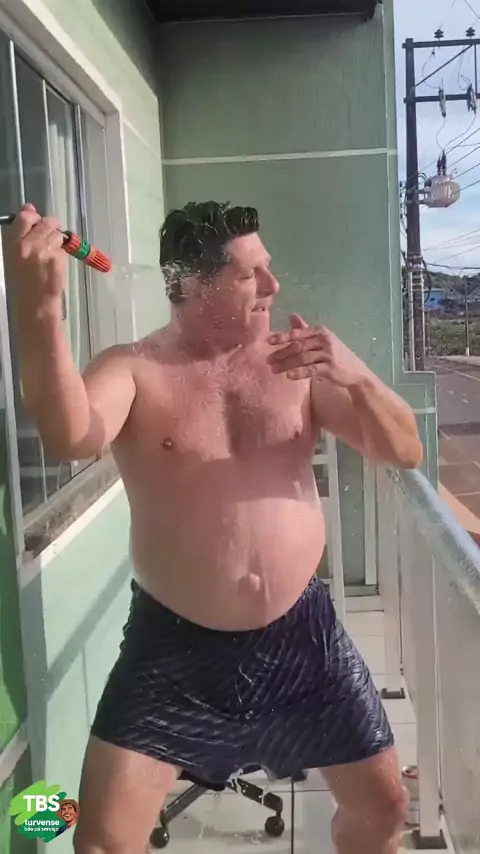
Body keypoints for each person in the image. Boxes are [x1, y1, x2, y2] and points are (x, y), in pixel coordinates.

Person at [8, 200, 422, 854]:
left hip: (301, 637)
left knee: (384, 806)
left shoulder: (295, 363)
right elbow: (69, 433)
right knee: (104, 842)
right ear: (194, 285)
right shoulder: (135, 369)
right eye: (251, 274)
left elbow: (405, 450)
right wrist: (40, 312)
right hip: (174, 652)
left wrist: (356, 374)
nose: (273, 286)